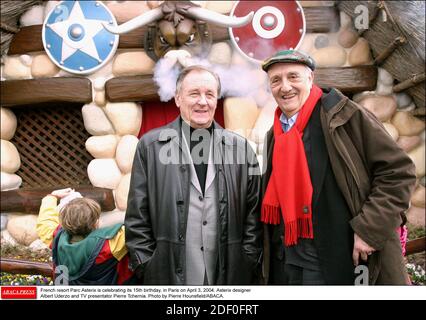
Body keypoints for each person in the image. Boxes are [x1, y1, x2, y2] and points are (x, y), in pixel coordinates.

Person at [260, 50, 416, 285]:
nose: (285, 87)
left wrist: (368, 229)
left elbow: (398, 173)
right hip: (288, 262)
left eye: (293, 77)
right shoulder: (276, 133)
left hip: (340, 260)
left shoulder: (345, 115)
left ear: (310, 79)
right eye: (276, 80)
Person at [125, 65, 263, 285]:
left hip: (229, 275)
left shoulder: (241, 149)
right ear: (178, 98)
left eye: (209, 94)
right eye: (194, 93)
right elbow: (137, 216)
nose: (203, 101)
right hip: (168, 275)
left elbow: (254, 213)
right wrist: (146, 265)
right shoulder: (150, 146)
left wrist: (248, 259)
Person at [36, 188, 135, 285]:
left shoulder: (56, 238)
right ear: (96, 222)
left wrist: (52, 196)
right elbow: (137, 229)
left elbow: (45, 221)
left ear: (63, 221)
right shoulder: (110, 242)